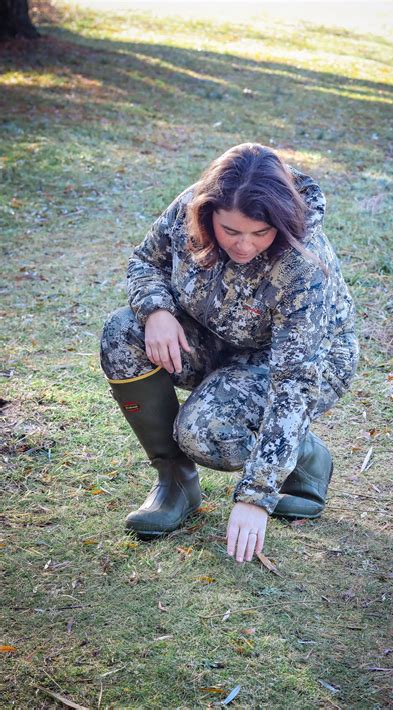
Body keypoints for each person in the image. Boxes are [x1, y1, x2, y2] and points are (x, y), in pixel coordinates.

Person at [99, 143, 359, 564]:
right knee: (122, 332)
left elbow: (293, 381)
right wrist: (156, 310)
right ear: (208, 215)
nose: (244, 246)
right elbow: (145, 261)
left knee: (205, 433)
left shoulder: (304, 264)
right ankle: (175, 481)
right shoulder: (189, 209)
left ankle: (304, 456)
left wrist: (256, 496)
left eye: (260, 233)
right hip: (219, 337)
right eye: (231, 231)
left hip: (304, 363)